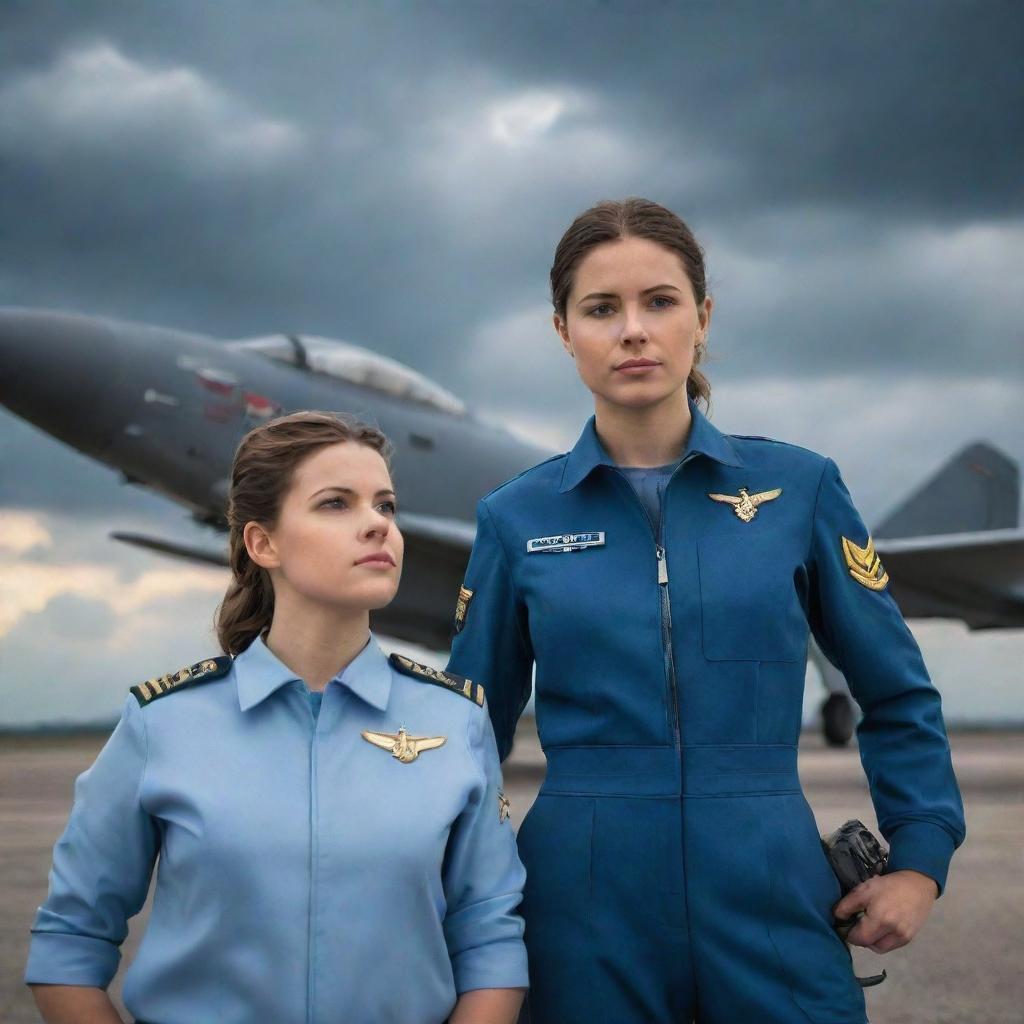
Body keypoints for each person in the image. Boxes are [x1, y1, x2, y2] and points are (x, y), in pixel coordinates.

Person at [447, 198, 966, 1023]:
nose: (634, 331)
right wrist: (466, 901)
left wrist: (921, 858)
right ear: (563, 331)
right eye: (601, 309)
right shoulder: (516, 519)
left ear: (702, 317)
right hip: (579, 915)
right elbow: (467, 734)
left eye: (660, 301)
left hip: (773, 896)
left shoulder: (801, 491)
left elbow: (896, 692)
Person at [26, 411, 528, 1024]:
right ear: (263, 543)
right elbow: (69, 941)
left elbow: (491, 944)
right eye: (336, 504)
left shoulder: (457, 721)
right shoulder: (162, 722)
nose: (378, 525)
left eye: (386, 506)